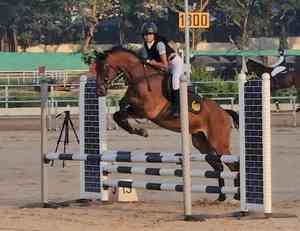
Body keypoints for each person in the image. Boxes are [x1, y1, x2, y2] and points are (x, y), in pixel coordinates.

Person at [140, 22, 184, 117]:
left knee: (175, 81)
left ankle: (177, 108)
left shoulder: (159, 44)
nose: (147, 36)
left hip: (175, 63)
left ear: (154, 35)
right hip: (166, 65)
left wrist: (152, 63)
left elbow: (165, 65)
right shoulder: (146, 45)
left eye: (150, 34)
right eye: (145, 34)